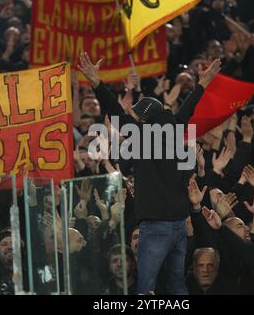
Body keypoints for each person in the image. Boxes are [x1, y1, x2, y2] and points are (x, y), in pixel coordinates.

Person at [78, 52, 221, 295]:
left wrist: (96, 82)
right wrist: (202, 85)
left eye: (136, 116)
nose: (132, 119)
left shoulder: (143, 137)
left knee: (145, 288)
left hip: (156, 227)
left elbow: (115, 112)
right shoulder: (175, 130)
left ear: (144, 119)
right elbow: (186, 110)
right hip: (179, 225)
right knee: (176, 284)